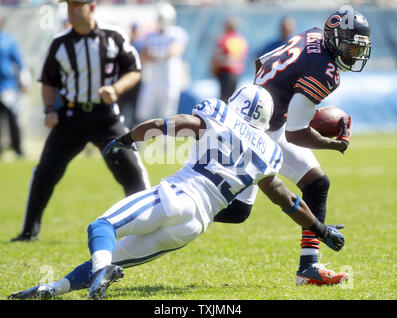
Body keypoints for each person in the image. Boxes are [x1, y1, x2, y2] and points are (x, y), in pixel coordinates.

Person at [8, 84, 347, 300]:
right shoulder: (268, 152)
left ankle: (98, 273)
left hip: (178, 195)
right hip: (193, 226)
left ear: (237, 102)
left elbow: (167, 125)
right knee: (110, 257)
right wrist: (321, 230)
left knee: (101, 228)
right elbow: (288, 201)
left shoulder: (219, 113)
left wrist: (126, 140)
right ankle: (52, 289)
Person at [215, 7, 371, 285]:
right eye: (350, 46)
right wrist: (334, 145)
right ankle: (176, 207)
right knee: (236, 211)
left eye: (359, 49)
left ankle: (308, 268)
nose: (353, 54)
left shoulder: (311, 34)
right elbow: (297, 133)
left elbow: (261, 64)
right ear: (335, 38)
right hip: (255, 132)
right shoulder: (326, 71)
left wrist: (278, 101)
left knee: (317, 183)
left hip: (262, 121)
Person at [11, 0, 150, 242]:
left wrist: (115, 89)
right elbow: (49, 81)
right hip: (71, 118)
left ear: (92, 7)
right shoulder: (60, 42)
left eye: (77, 5)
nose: (71, 10)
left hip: (106, 117)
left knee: (132, 170)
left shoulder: (113, 36)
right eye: (69, 6)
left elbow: (134, 70)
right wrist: (49, 110)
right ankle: (29, 232)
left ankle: (148, 226)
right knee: (45, 172)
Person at [135, 2, 189, 123]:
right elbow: (143, 56)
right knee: (144, 107)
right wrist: (161, 54)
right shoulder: (151, 35)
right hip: (152, 77)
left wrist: (154, 53)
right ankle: (141, 136)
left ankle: (166, 138)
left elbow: (174, 51)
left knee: (168, 109)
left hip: (169, 78)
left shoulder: (177, 33)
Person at [0, 17, 31, 158]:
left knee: (12, 118)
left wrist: (24, 80)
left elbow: (20, 62)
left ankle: (17, 148)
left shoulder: (8, 40)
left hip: (7, 86)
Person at [211, 16, 249, 103]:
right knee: (233, 97)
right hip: (236, 72)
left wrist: (213, 69)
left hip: (225, 71)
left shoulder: (224, 39)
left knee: (224, 97)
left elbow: (217, 56)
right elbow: (243, 56)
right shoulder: (241, 39)